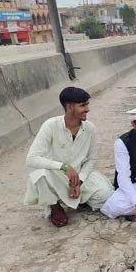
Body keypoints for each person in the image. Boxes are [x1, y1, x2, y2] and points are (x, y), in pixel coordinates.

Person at [24, 87, 114, 227]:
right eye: (83, 105)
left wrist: (80, 181)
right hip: (57, 176)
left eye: (87, 104)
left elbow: (91, 159)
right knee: (39, 174)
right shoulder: (50, 125)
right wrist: (64, 167)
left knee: (106, 195)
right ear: (69, 107)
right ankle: (55, 206)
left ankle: (76, 198)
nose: (88, 109)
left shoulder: (90, 128)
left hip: (79, 176)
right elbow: (31, 159)